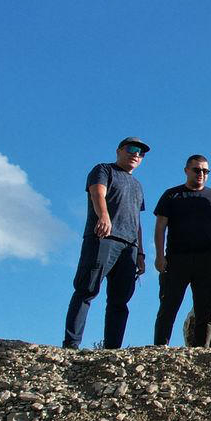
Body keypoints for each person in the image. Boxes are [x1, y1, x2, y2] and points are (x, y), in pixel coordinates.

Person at [63, 137, 149, 349]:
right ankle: (71, 345)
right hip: (103, 238)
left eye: (141, 152)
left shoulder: (138, 186)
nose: (136, 154)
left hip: (129, 246)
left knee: (120, 301)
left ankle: (112, 349)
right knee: (87, 289)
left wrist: (140, 253)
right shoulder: (103, 170)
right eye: (131, 149)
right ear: (119, 150)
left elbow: (137, 221)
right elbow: (97, 192)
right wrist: (104, 216)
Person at [151, 154, 211, 347]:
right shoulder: (172, 194)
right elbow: (160, 227)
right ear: (187, 170)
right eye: (197, 170)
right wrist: (160, 256)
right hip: (176, 259)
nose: (201, 174)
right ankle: (160, 349)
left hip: (208, 260)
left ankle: (200, 351)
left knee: (206, 310)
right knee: (168, 307)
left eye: (205, 171)